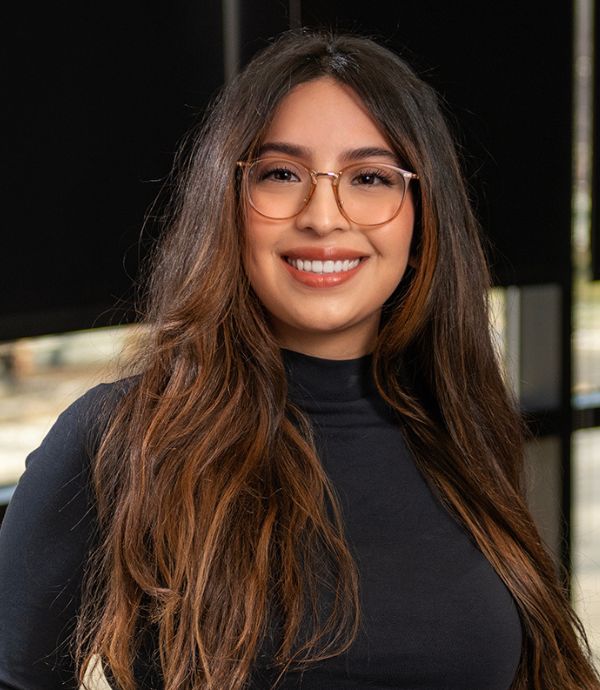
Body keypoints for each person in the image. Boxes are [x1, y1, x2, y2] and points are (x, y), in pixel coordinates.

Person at [0, 29, 597, 690]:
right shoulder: (117, 440)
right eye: (281, 173)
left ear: (422, 215)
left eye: (369, 177)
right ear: (229, 201)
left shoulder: (461, 428)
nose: (323, 216)